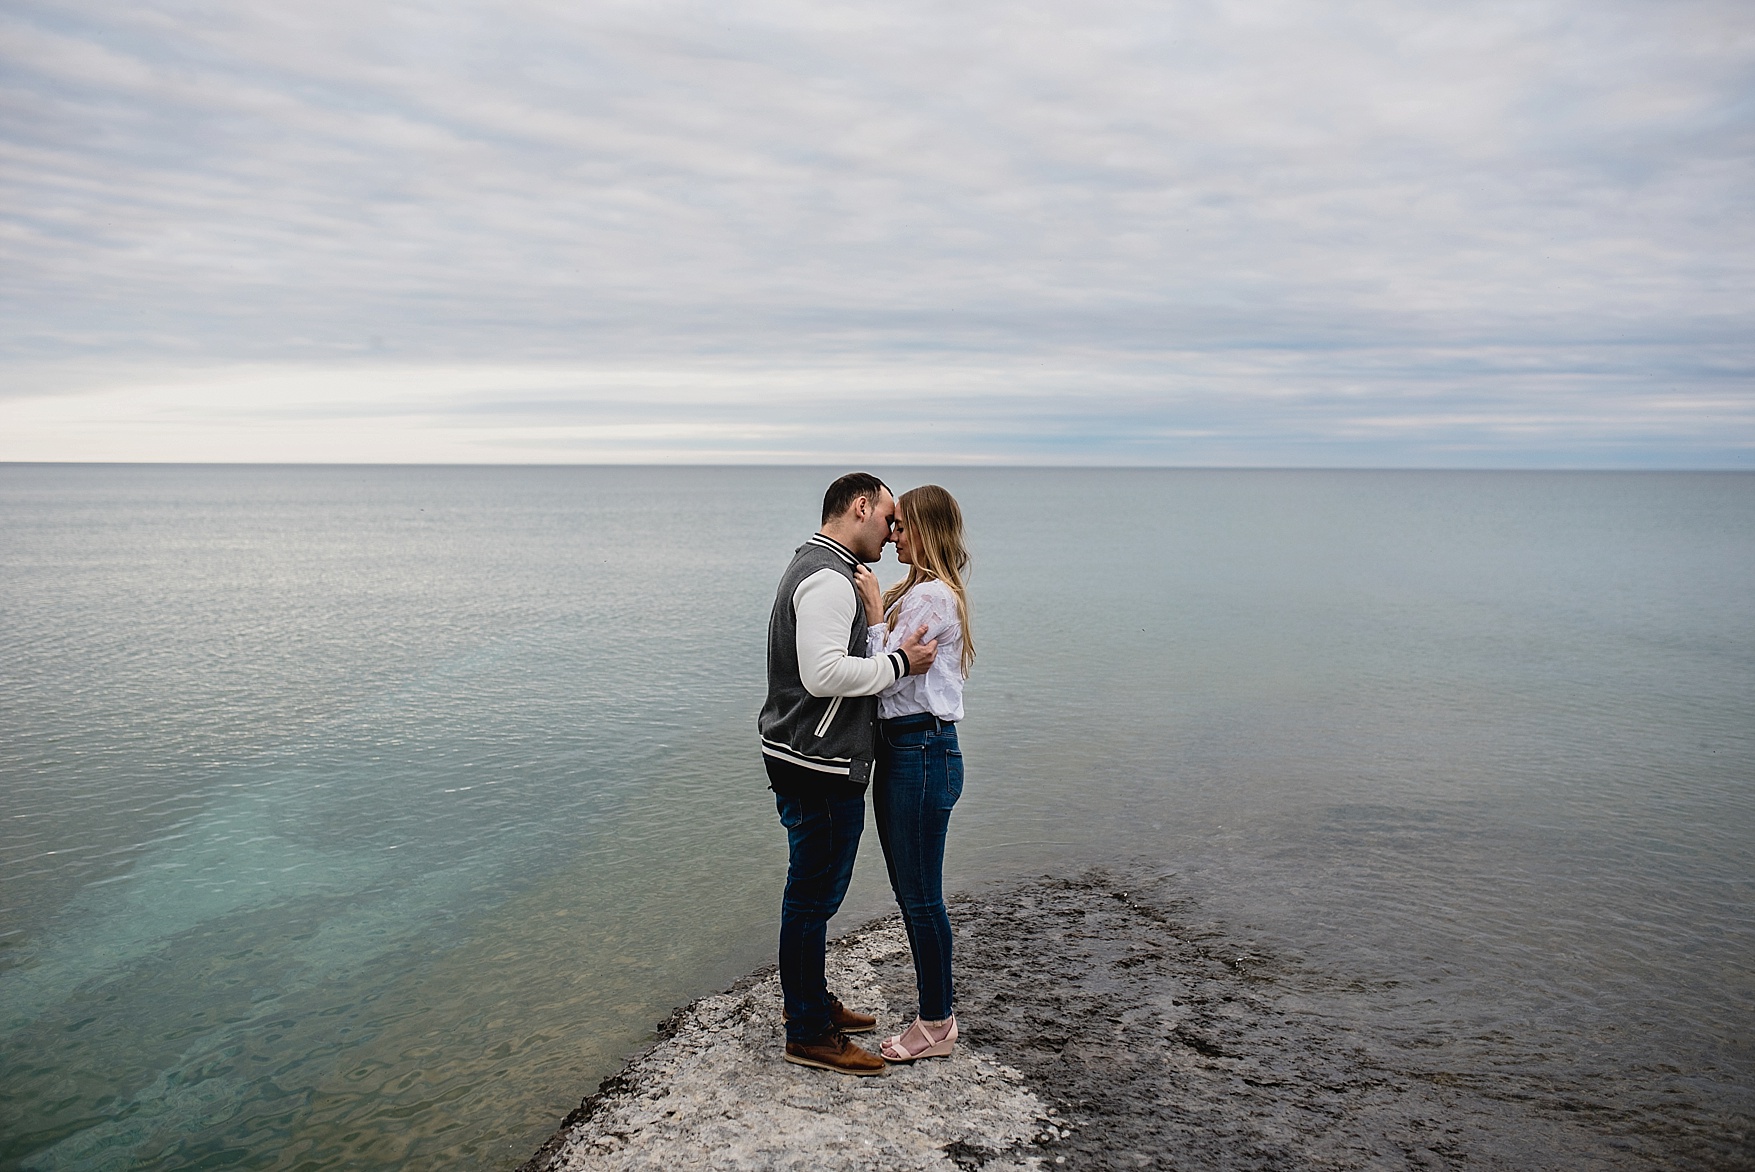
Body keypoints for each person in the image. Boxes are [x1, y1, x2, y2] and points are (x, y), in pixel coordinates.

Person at [759, 472, 939, 1076]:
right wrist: (900, 662)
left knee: (813, 895)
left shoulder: (818, 565)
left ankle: (814, 1004)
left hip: (805, 755)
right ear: (859, 507)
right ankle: (807, 1031)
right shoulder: (829, 580)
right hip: (817, 761)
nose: (893, 535)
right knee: (812, 899)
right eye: (888, 518)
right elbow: (823, 674)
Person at [853, 484, 974, 1063]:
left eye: (903, 525)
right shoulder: (923, 592)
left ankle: (936, 1023)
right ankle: (935, 1016)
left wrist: (876, 613)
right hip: (909, 749)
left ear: (927, 529)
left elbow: (888, 676)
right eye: (892, 523)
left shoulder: (929, 598)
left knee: (922, 897)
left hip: (920, 749)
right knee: (912, 892)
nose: (893, 533)